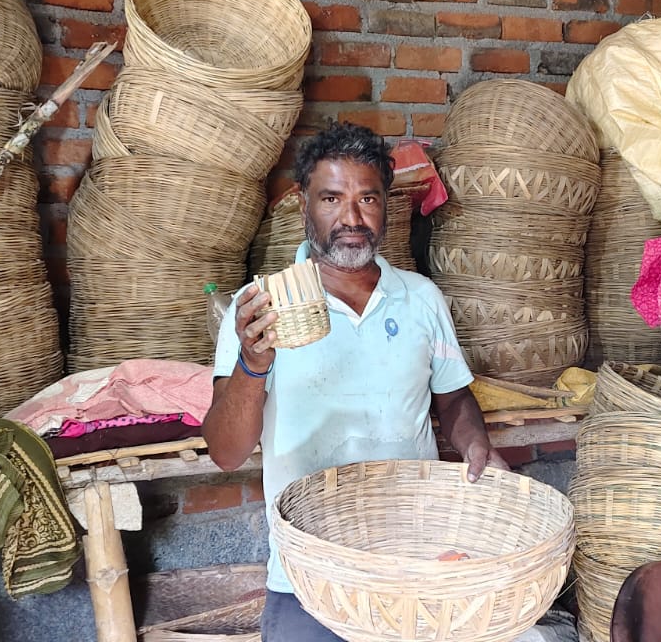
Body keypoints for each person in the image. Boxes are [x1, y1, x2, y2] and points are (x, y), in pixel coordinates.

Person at [203, 122, 507, 641]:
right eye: (331, 198)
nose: (351, 218)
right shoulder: (257, 311)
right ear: (304, 205)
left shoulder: (422, 299)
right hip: (310, 574)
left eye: (368, 198)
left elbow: (452, 396)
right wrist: (254, 363)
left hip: (415, 562)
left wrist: (476, 443)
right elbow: (226, 452)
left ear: (387, 205)